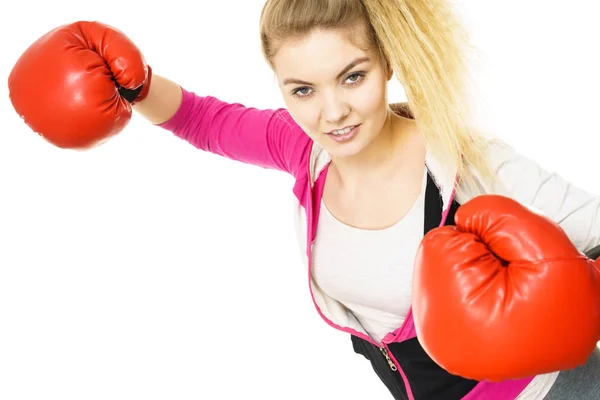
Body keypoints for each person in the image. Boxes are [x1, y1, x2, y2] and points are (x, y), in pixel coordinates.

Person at [7, 0, 600, 399]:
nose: (332, 113)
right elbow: (204, 121)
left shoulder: (468, 163)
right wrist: (131, 84)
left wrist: (567, 308)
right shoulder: (305, 151)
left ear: (387, 63)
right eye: (302, 90)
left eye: (352, 76)